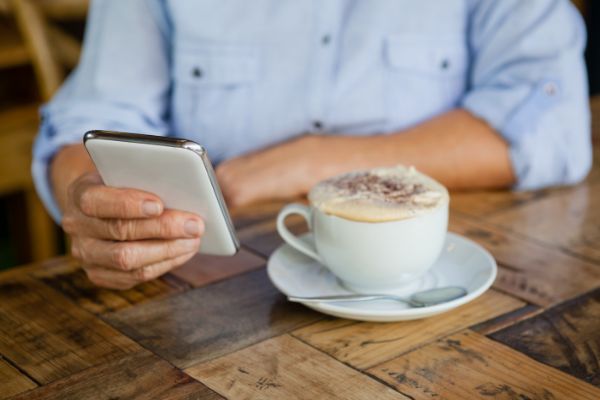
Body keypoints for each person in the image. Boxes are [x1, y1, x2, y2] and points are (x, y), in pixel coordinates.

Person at [33, 0, 591, 289]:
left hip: (441, 288)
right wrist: (87, 192)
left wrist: (309, 162)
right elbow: (90, 119)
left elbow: (551, 114)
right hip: (205, 290)